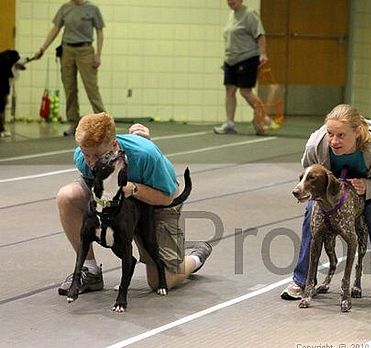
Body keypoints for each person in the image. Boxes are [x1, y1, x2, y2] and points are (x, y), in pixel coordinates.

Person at [56, 112, 212, 296]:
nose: (89, 161)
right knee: (67, 196)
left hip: (157, 196)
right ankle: (90, 272)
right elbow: (96, 186)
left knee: (161, 281)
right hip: (118, 199)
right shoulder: (83, 157)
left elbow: (167, 198)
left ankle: (195, 257)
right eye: (85, 153)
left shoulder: (146, 155)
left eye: (96, 156)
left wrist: (133, 190)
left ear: (114, 145)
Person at [280, 104, 371, 312]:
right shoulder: (316, 147)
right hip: (331, 186)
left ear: (357, 132)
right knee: (311, 215)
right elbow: (308, 175)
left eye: (341, 135)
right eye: (330, 134)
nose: (334, 141)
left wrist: (368, 186)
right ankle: (302, 281)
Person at [33, 0, 106, 137]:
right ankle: (74, 123)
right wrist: (42, 48)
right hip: (67, 50)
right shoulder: (65, 8)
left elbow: (100, 32)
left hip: (85, 50)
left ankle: (104, 124)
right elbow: (55, 29)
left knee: (92, 88)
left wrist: (98, 55)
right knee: (70, 88)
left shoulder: (92, 9)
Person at [214, 0, 278, 135]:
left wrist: (263, 54)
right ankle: (229, 124)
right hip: (230, 60)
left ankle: (263, 118)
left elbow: (260, 35)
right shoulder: (232, 15)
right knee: (229, 90)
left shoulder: (249, 14)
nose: (231, 2)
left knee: (245, 92)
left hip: (247, 58)